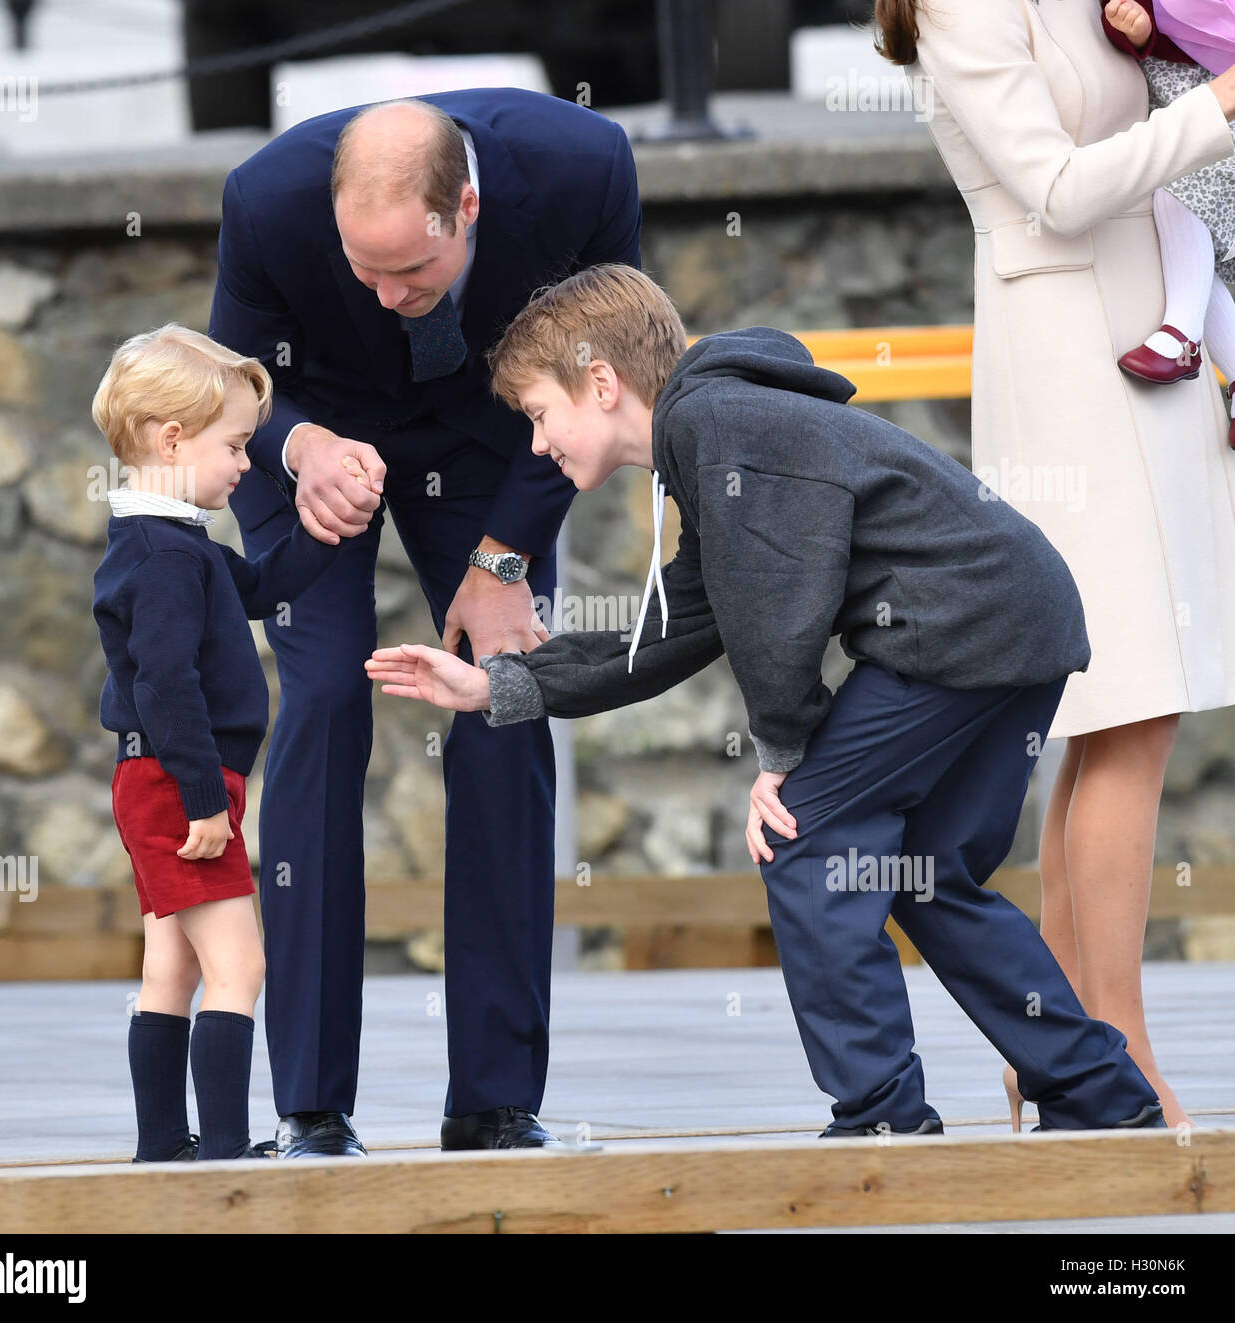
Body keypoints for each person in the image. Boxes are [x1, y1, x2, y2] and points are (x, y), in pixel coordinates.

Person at [366, 264, 1167, 1135]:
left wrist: (784, 758)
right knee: (924, 872)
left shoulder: (718, 424)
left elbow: (780, 608)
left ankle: (882, 1118)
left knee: (806, 837)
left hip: (961, 628)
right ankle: (1100, 1093)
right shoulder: (714, 430)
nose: (535, 445)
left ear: (600, 382)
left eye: (536, 414)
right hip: (1014, 617)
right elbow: (677, 627)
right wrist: (497, 685)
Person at [207, 89, 641, 1155]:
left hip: (495, 437)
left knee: (502, 701)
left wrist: (503, 563)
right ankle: (311, 1108)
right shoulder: (265, 198)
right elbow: (239, 386)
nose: (391, 293)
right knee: (317, 702)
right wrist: (303, 450)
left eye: (415, 270)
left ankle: (494, 1099)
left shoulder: (583, 169)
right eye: (365, 271)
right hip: (316, 442)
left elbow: (594, 378)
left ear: (471, 206)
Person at [876, 0, 1235, 1130]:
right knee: (1127, 707)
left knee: (1115, 718)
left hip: (1149, 354)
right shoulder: (953, 8)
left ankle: (1062, 1050)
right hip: (1070, 370)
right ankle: (1112, 1055)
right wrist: (1224, 104)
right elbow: (1060, 187)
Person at [91, 325, 359, 1162]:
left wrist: (321, 534)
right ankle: (225, 1154)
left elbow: (261, 587)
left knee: (171, 968)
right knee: (239, 968)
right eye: (235, 446)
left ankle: (166, 1144)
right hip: (185, 784)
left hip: (158, 777)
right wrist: (207, 798)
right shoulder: (168, 558)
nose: (247, 465)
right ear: (171, 440)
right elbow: (164, 683)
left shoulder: (173, 543)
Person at [1100, 0, 1235, 442]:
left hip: (1218, 102)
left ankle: (1181, 337)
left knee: (1180, 187)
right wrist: (1135, 30)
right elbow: (1135, 21)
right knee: (1192, 254)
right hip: (1183, 108)